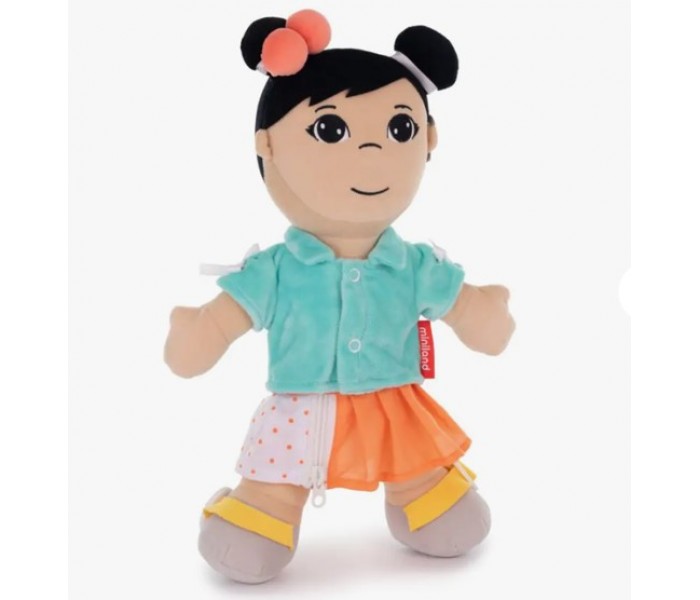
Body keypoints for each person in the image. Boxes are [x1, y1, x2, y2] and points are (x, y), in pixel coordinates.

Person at [164, 9, 515, 584]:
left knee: (419, 464)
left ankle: (426, 499)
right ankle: (260, 513)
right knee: (276, 479)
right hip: (301, 408)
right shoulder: (276, 270)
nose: (372, 151)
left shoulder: (412, 265)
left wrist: (484, 312)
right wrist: (199, 330)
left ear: (427, 141)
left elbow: (470, 314)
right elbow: (223, 322)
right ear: (268, 146)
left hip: (394, 402)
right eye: (330, 130)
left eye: (399, 130)